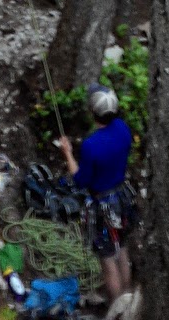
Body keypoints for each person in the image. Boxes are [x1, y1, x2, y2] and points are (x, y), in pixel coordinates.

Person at [57, 84, 134, 305]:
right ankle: (129, 300)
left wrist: (68, 154)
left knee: (108, 258)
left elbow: (80, 180)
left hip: (102, 204)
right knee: (123, 250)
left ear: (93, 112)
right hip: (122, 198)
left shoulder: (91, 145)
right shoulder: (123, 129)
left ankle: (118, 305)